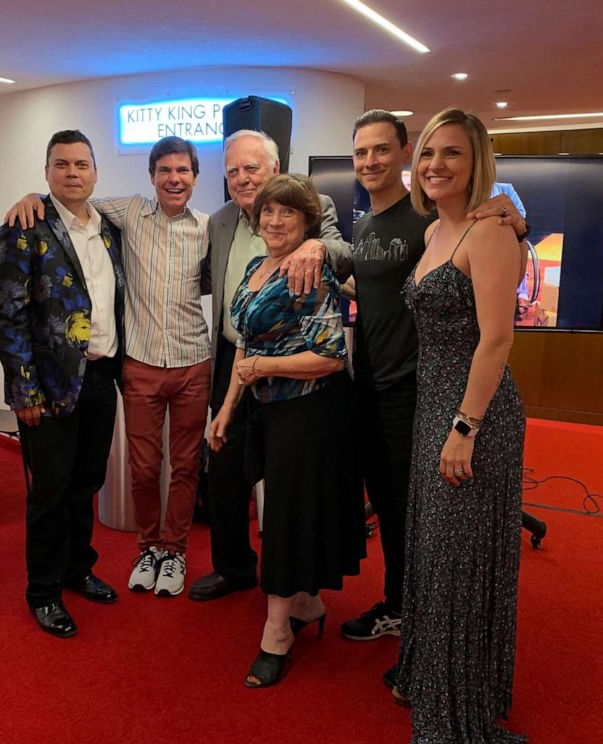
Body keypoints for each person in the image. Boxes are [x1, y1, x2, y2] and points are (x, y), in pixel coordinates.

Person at [342, 111, 530, 658]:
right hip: (384, 391)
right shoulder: (380, 225)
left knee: (437, 535)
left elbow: (495, 324)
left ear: (401, 154)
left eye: (383, 149)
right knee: (409, 522)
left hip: (431, 397)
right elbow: (383, 287)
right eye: (360, 152)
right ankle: (408, 618)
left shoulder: (443, 221)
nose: (370, 161)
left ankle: (426, 635)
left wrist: (517, 219)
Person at [3, 137, 211, 598]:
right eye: (164, 171)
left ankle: (156, 555)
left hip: (170, 364)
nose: (174, 178)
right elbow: (8, 312)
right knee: (116, 474)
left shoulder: (200, 229)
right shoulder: (120, 215)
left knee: (144, 473)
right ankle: (120, 559)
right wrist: (31, 197)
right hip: (104, 372)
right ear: (152, 176)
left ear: (196, 177)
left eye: (183, 171)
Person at [397, 108, 527, 742]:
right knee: (439, 557)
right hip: (433, 410)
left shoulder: (492, 233)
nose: (435, 165)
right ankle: (433, 684)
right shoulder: (433, 236)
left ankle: (459, 712)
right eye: (427, 153)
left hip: (475, 416)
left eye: (452, 153)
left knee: (461, 562)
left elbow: (497, 341)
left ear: (477, 162)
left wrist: (465, 426)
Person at [208, 174, 365, 687]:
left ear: (307, 223)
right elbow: (244, 348)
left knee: (282, 518)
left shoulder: (308, 272)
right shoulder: (257, 266)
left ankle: (276, 633)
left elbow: (328, 356)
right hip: (266, 410)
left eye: (288, 214)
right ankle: (305, 600)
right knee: (290, 512)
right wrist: (228, 408)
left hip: (309, 413)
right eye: (268, 213)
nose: (275, 221)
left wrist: (263, 372)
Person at [190, 129, 353, 602]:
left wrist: (316, 246)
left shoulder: (311, 203)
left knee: (286, 479)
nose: (242, 178)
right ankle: (233, 568)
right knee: (224, 464)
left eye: (252, 168)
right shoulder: (220, 221)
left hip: (295, 370)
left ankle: (293, 589)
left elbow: (346, 254)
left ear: (274, 170)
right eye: (234, 170)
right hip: (235, 354)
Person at [0, 129, 125, 638]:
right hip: (46, 386)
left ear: (95, 172)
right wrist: (23, 391)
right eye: (62, 164)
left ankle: (77, 569)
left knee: (86, 482)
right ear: (46, 171)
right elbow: (7, 316)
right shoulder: (23, 227)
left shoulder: (108, 229)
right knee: (50, 490)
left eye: (82, 165)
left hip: (101, 374)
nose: (73, 173)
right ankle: (43, 591)